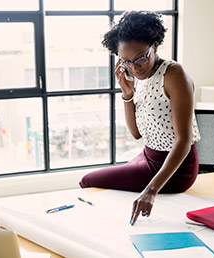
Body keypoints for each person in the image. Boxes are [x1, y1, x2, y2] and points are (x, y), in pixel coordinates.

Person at [79, 11, 201, 225]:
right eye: (126, 61)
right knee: (108, 188)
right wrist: (127, 94)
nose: (135, 68)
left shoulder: (174, 74)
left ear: (155, 45)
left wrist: (151, 191)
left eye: (141, 58)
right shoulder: (138, 77)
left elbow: (183, 140)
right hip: (148, 156)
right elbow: (136, 134)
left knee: (88, 181)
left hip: (176, 168)